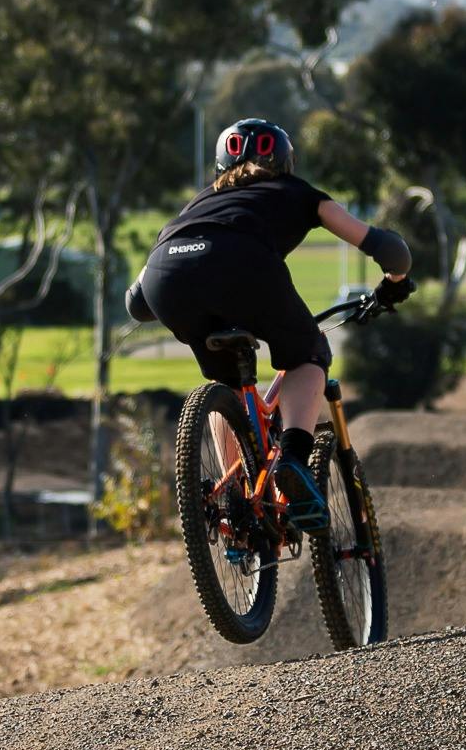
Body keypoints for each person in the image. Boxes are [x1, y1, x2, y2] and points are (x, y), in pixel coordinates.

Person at [125, 118, 411, 529]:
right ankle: (293, 460)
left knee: (229, 387)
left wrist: (178, 293)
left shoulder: (195, 205)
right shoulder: (298, 193)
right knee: (307, 354)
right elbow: (387, 247)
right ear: (285, 162)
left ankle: (235, 500)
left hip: (166, 272)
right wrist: (394, 283)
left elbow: (136, 304)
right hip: (244, 265)